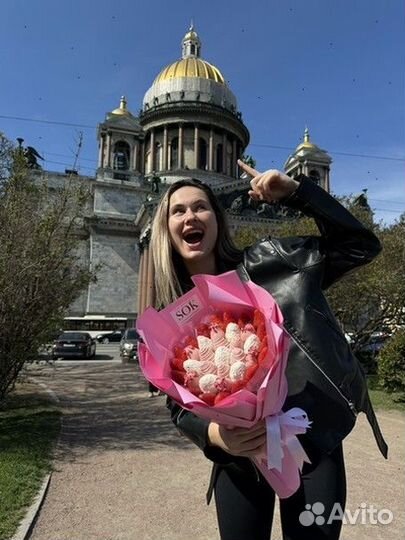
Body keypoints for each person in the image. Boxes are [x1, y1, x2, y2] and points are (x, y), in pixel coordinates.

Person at [149, 160, 388, 540]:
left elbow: (360, 245)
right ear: (166, 229)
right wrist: (214, 435)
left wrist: (298, 193)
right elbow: (176, 402)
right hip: (240, 457)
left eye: (201, 206)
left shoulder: (277, 262)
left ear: (218, 219)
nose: (190, 216)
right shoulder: (171, 316)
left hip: (311, 440)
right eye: (178, 210)